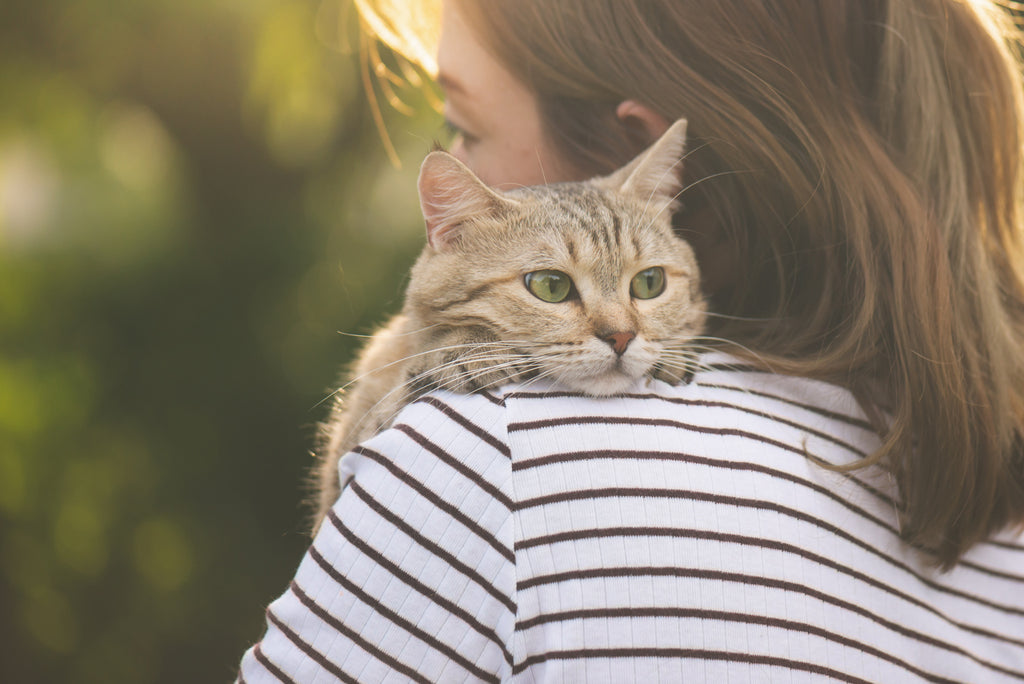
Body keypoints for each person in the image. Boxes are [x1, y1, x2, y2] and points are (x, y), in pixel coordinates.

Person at [237, 0, 1024, 681]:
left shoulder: (488, 461)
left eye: (462, 128)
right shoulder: (997, 521)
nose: (616, 331)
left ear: (634, 156)